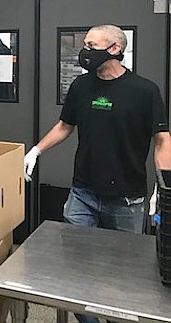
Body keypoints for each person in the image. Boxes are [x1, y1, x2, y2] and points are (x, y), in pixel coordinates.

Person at [23, 24, 171, 323]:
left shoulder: (144, 91)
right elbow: (65, 126)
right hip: (83, 194)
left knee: (127, 274)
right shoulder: (81, 86)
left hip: (127, 200)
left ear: (115, 49)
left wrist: (163, 186)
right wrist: (36, 150)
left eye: (92, 46)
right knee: (75, 267)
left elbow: (162, 139)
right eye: (85, 45)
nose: (85, 51)